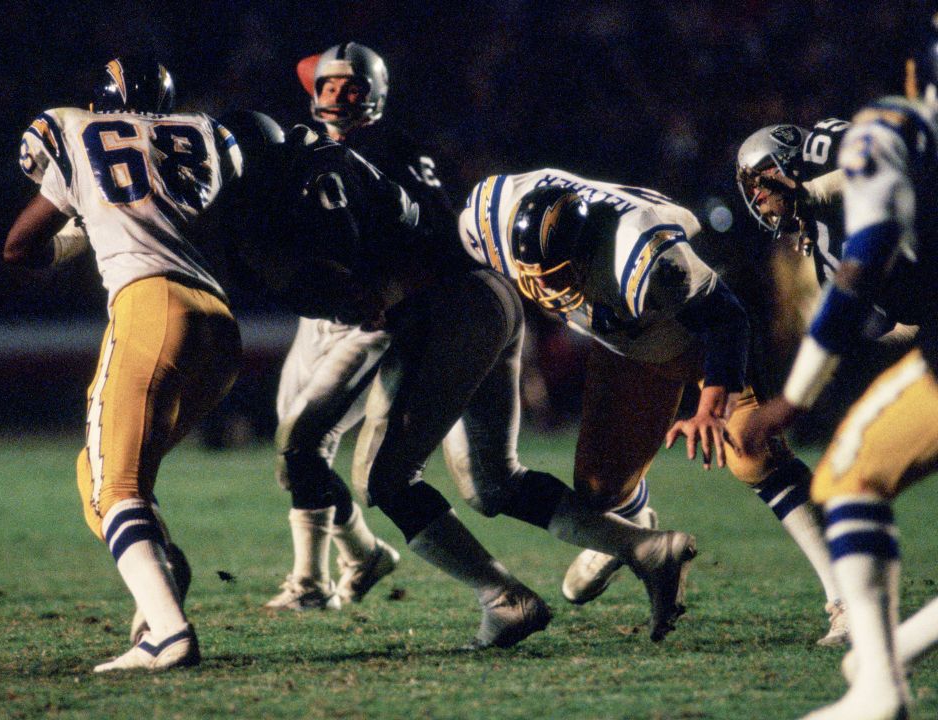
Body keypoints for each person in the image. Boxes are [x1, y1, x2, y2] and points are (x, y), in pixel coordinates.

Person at [209, 113, 697, 647]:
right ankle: (645, 548)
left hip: (441, 310)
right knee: (493, 483)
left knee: (383, 480)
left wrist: (362, 294)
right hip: (488, 295)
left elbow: (361, 297)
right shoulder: (333, 163)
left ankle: (503, 598)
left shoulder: (271, 206)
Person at [454, 169, 843, 635]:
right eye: (536, 276)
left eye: (561, 274)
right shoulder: (486, 217)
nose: (550, 289)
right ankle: (640, 535)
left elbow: (727, 319)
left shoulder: (643, 252)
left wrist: (708, 409)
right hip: (626, 344)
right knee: (598, 491)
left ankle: (847, 600)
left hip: (689, 333)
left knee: (750, 452)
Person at [5, 56, 242, 673]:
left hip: (150, 306)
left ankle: (167, 633)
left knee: (117, 486)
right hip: (218, 325)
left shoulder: (75, 128)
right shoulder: (202, 134)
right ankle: (163, 569)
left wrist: (75, 235)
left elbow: (18, 247)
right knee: (99, 471)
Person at [739, 21, 938, 719]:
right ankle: (897, 652)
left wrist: (793, 398)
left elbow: (869, 239)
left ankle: (881, 688)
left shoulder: (883, 128)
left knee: (849, 476)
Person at [262, 42, 458, 611]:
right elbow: (314, 68)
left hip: (370, 321)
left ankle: (310, 583)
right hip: (315, 319)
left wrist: (395, 285)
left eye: (352, 90)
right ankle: (363, 556)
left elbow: (442, 233)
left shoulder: (395, 151)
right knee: (293, 461)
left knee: (302, 444)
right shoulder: (310, 144)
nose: (337, 98)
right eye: (327, 88)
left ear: (376, 95)